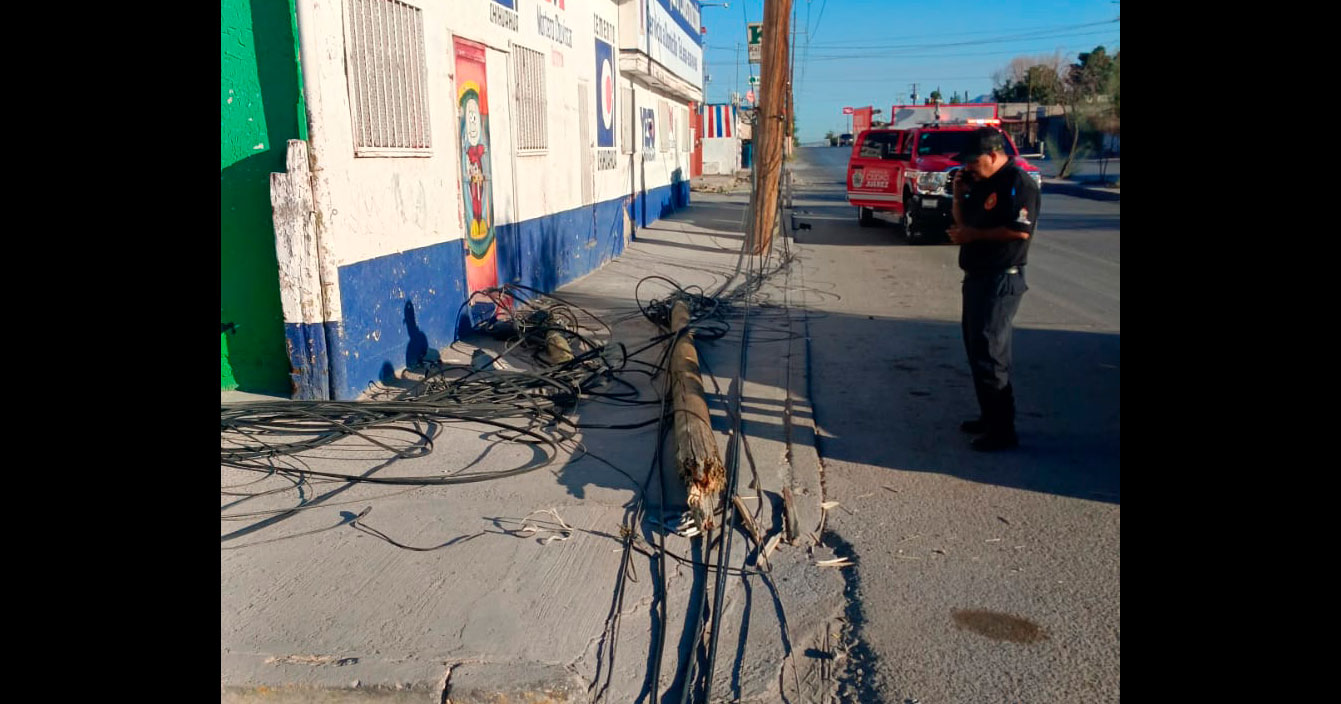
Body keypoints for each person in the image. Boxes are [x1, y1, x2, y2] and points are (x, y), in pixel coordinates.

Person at [947, 128, 1040, 451]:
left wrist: (973, 237)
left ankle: (1003, 430)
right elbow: (962, 225)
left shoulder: (1019, 184)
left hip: (1002, 278)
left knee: (991, 352)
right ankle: (988, 416)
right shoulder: (982, 182)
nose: (969, 167)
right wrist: (959, 195)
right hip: (977, 276)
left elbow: (1020, 232)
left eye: (973, 162)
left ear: (993, 155)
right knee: (976, 349)